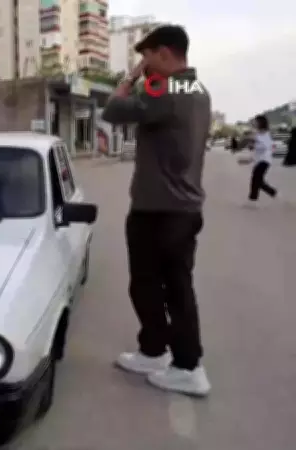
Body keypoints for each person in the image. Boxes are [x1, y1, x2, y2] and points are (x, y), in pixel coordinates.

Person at [101, 25, 211, 396]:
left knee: (157, 285)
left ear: (163, 53)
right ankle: (155, 351)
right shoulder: (196, 90)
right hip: (181, 208)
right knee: (168, 284)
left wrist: (128, 78)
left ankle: (187, 366)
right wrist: (147, 77)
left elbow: (113, 110)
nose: (143, 66)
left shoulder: (167, 90)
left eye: (146, 58)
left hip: (159, 210)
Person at [246, 115, 277, 206]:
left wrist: (254, 143)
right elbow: (253, 147)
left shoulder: (265, 133)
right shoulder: (258, 133)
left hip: (264, 160)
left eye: (256, 122)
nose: (254, 123)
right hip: (260, 160)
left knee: (257, 180)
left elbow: (265, 146)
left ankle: (254, 200)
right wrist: (251, 144)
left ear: (260, 123)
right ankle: (271, 193)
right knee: (257, 180)